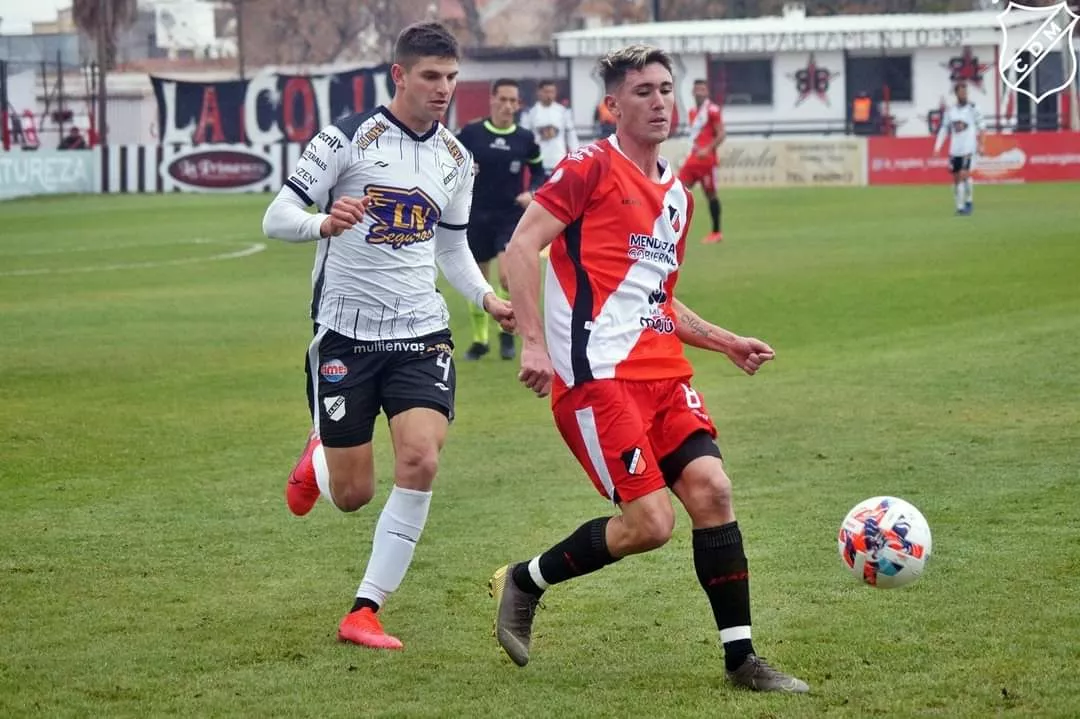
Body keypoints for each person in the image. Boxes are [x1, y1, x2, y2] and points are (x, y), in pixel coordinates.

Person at [490, 44, 809, 694]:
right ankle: (527, 580)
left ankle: (742, 659)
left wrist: (725, 342)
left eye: (666, 88)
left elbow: (656, 295)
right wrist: (533, 342)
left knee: (712, 491)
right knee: (651, 524)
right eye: (643, 91)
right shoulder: (588, 168)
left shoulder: (678, 197)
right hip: (598, 380)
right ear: (613, 104)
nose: (660, 100)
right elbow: (520, 248)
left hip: (666, 376)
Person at [261, 21, 513, 651]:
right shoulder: (346, 138)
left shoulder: (456, 159)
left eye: (452, 78)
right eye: (431, 77)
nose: (443, 90)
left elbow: (451, 248)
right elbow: (277, 216)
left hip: (421, 332)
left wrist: (484, 295)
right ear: (398, 75)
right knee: (353, 495)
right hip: (344, 336)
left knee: (421, 459)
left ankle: (364, 610)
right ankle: (319, 457)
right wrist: (322, 222)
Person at [456, 78, 545, 361]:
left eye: (513, 101)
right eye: (503, 99)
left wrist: (532, 192)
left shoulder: (525, 139)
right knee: (479, 282)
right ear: (492, 100)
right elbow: (449, 163)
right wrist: (464, 170)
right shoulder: (471, 133)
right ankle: (480, 341)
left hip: (510, 216)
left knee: (507, 277)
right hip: (476, 215)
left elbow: (541, 173)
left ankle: (508, 333)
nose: (509, 106)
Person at [678, 79, 726, 244]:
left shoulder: (712, 110)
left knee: (711, 195)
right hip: (693, 160)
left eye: (702, 89)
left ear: (707, 92)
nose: (699, 92)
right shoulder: (692, 112)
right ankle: (675, 232)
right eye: (697, 89)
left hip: (707, 161)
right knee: (677, 191)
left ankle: (716, 232)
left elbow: (721, 134)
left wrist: (708, 149)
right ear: (693, 92)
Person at [933, 81, 984, 215]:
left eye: (965, 92)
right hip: (955, 150)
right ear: (956, 94)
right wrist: (937, 147)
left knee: (963, 175)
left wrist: (981, 145)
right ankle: (960, 205)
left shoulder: (974, 109)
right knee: (956, 179)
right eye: (961, 92)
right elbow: (944, 129)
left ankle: (966, 203)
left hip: (969, 148)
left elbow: (982, 128)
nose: (964, 94)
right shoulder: (951, 112)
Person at [520, 79, 579, 178]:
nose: (549, 95)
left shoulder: (563, 112)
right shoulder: (530, 113)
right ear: (539, 92)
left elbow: (571, 136)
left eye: (552, 92)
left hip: (559, 161)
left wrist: (576, 156)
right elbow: (523, 138)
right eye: (546, 92)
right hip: (538, 162)